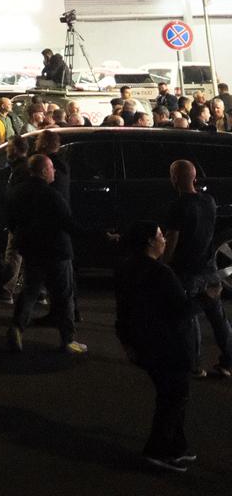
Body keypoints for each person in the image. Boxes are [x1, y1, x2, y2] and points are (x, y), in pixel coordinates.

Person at [115, 219, 199, 473]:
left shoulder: (127, 269)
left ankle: (177, 446)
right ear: (150, 241)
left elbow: (123, 311)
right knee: (173, 398)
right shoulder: (161, 273)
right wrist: (206, 298)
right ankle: (158, 450)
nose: (165, 239)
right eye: (161, 235)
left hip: (145, 346)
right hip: (170, 347)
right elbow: (181, 311)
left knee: (170, 396)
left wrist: (127, 342)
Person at [5, 153, 89, 354]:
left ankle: (17, 327)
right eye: (52, 168)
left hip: (32, 250)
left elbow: (12, 221)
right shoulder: (52, 195)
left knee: (30, 291)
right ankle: (68, 340)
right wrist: (96, 236)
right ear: (44, 171)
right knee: (63, 296)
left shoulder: (17, 192)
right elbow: (67, 223)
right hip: (57, 251)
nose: (55, 171)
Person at [161, 159, 232, 378]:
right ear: (194, 177)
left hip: (187, 270)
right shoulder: (209, 201)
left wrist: (164, 264)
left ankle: (194, 365)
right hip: (208, 267)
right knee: (218, 317)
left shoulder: (178, 206)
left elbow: (172, 239)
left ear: (174, 179)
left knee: (189, 318)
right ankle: (228, 362)